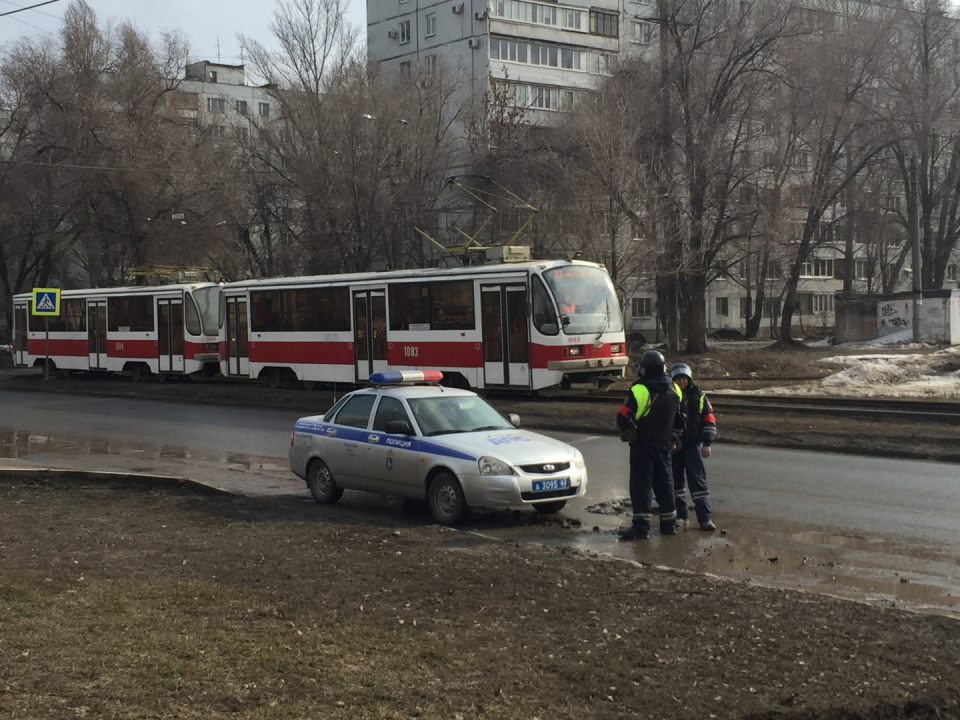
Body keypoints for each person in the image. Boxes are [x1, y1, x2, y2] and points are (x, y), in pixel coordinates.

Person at [615, 350, 683, 540]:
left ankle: (641, 527)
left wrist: (631, 427)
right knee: (666, 483)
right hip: (665, 444)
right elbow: (681, 419)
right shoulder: (674, 388)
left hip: (643, 445)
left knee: (641, 485)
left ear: (643, 370)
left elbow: (622, 418)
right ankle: (669, 524)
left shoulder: (638, 390)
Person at [669, 363, 717, 532]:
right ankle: (681, 517)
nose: (682, 382)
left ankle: (705, 519)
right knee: (676, 483)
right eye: (678, 379)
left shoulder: (699, 397)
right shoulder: (668, 396)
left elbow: (709, 420)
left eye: (684, 379)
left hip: (692, 446)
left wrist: (707, 443)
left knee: (698, 482)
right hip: (673, 446)